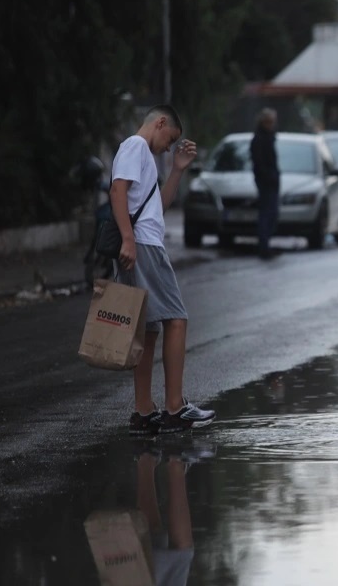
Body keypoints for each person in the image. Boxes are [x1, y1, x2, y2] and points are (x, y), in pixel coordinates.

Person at [112, 105, 216, 435]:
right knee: (176, 318)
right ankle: (175, 407)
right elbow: (118, 190)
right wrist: (128, 239)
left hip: (143, 243)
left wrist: (177, 171)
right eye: (169, 140)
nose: (168, 148)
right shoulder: (136, 146)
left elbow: (158, 206)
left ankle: (144, 412)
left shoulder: (145, 156)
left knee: (150, 329)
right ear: (159, 123)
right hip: (144, 247)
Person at [250, 108, 280, 259]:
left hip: (269, 181)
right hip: (266, 182)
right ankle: (263, 246)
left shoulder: (268, 137)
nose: (271, 125)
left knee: (271, 214)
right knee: (267, 214)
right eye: (269, 121)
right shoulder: (261, 138)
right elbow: (260, 163)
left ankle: (265, 244)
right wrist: (270, 177)